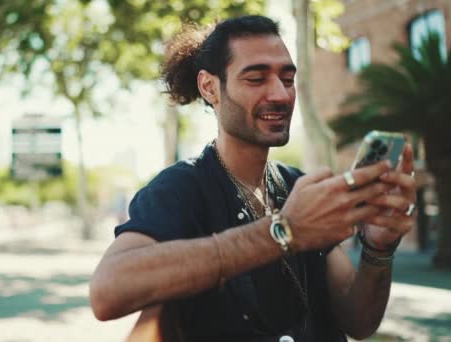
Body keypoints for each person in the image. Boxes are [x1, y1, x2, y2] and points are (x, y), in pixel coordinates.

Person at [89, 15, 416, 341]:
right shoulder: (181, 187)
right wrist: (283, 232)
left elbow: (359, 323)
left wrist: (378, 248)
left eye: (287, 79)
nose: (280, 95)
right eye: (256, 79)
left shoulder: (297, 187)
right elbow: (107, 292)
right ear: (210, 87)